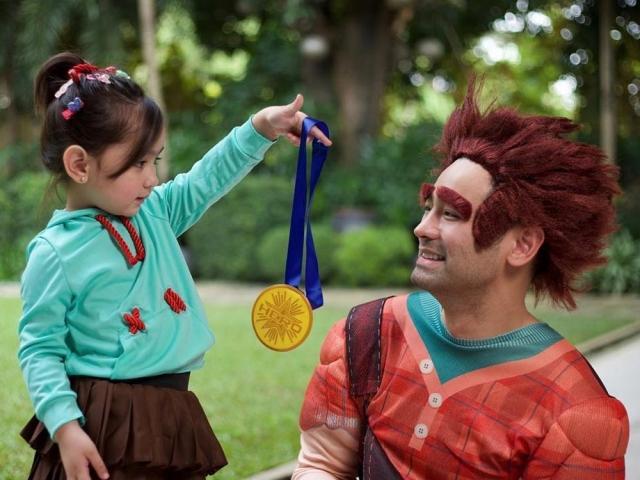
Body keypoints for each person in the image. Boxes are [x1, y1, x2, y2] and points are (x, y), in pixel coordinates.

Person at [293, 81, 630, 479]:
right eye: (428, 207)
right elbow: (321, 464)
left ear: (522, 245)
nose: (422, 228)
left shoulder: (575, 411)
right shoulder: (367, 335)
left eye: (451, 214)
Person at [18, 52, 331, 480]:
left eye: (155, 160)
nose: (151, 178)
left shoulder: (156, 212)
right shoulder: (54, 252)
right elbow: (40, 349)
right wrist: (65, 428)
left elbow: (206, 179)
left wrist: (260, 128)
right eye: (138, 163)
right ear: (79, 164)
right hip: (103, 425)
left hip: (170, 412)